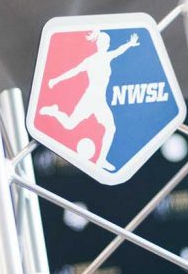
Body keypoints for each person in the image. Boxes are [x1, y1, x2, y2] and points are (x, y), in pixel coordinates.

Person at [39, 30, 139, 172]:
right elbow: (74, 71)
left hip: (100, 100)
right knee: (69, 125)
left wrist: (130, 44)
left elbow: (119, 51)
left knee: (110, 128)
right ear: (98, 44)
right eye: (104, 42)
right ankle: (53, 111)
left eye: (107, 43)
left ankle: (101, 160)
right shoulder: (92, 60)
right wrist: (56, 80)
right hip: (89, 98)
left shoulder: (107, 56)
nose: (106, 45)